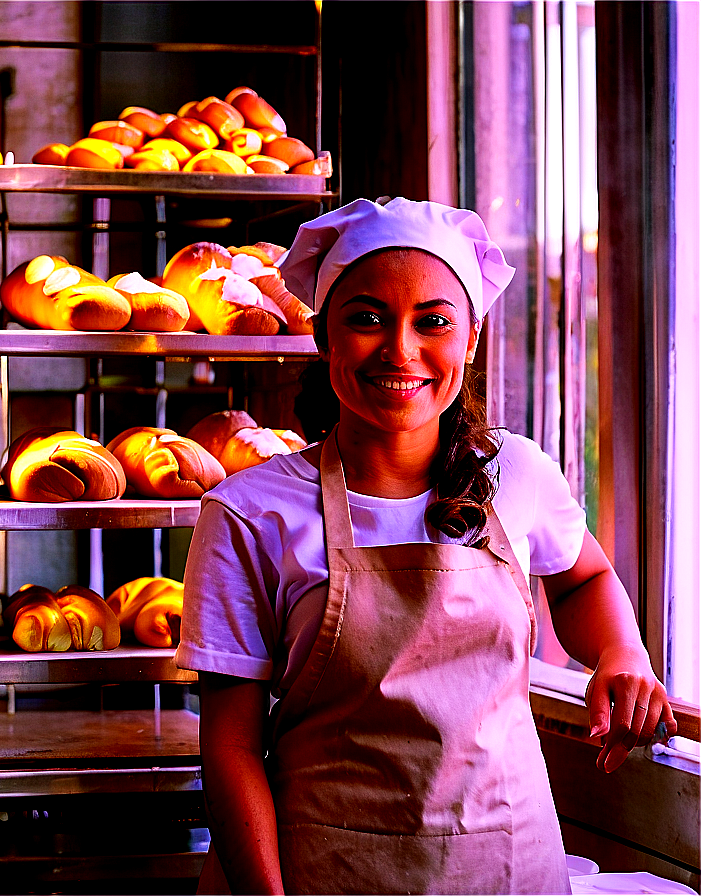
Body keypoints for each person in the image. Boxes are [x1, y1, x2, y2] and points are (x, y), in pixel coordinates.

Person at [174, 196, 677, 896]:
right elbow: (230, 748)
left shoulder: (518, 475)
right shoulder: (248, 514)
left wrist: (623, 652)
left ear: (469, 338)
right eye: (366, 318)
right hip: (317, 872)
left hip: (506, 865)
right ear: (324, 338)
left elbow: (583, 576)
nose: (400, 350)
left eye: (432, 322)